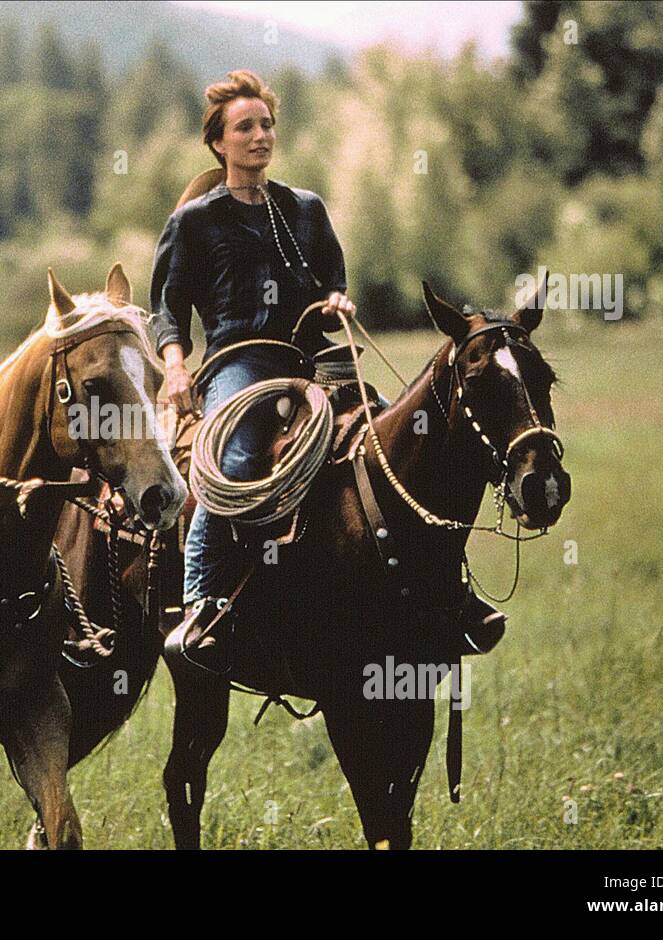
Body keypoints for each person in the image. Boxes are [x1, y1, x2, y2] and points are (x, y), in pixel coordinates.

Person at [152, 70, 498, 674]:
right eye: (245, 128)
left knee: (400, 442)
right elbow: (167, 307)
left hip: (313, 361)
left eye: (266, 125)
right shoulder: (195, 222)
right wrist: (176, 368)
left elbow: (334, 277)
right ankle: (200, 605)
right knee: (230, 467)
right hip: (238, 365)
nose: (260, 136)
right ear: (218, 143)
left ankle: (451, 592)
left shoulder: (304, 209)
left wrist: (338, 299)